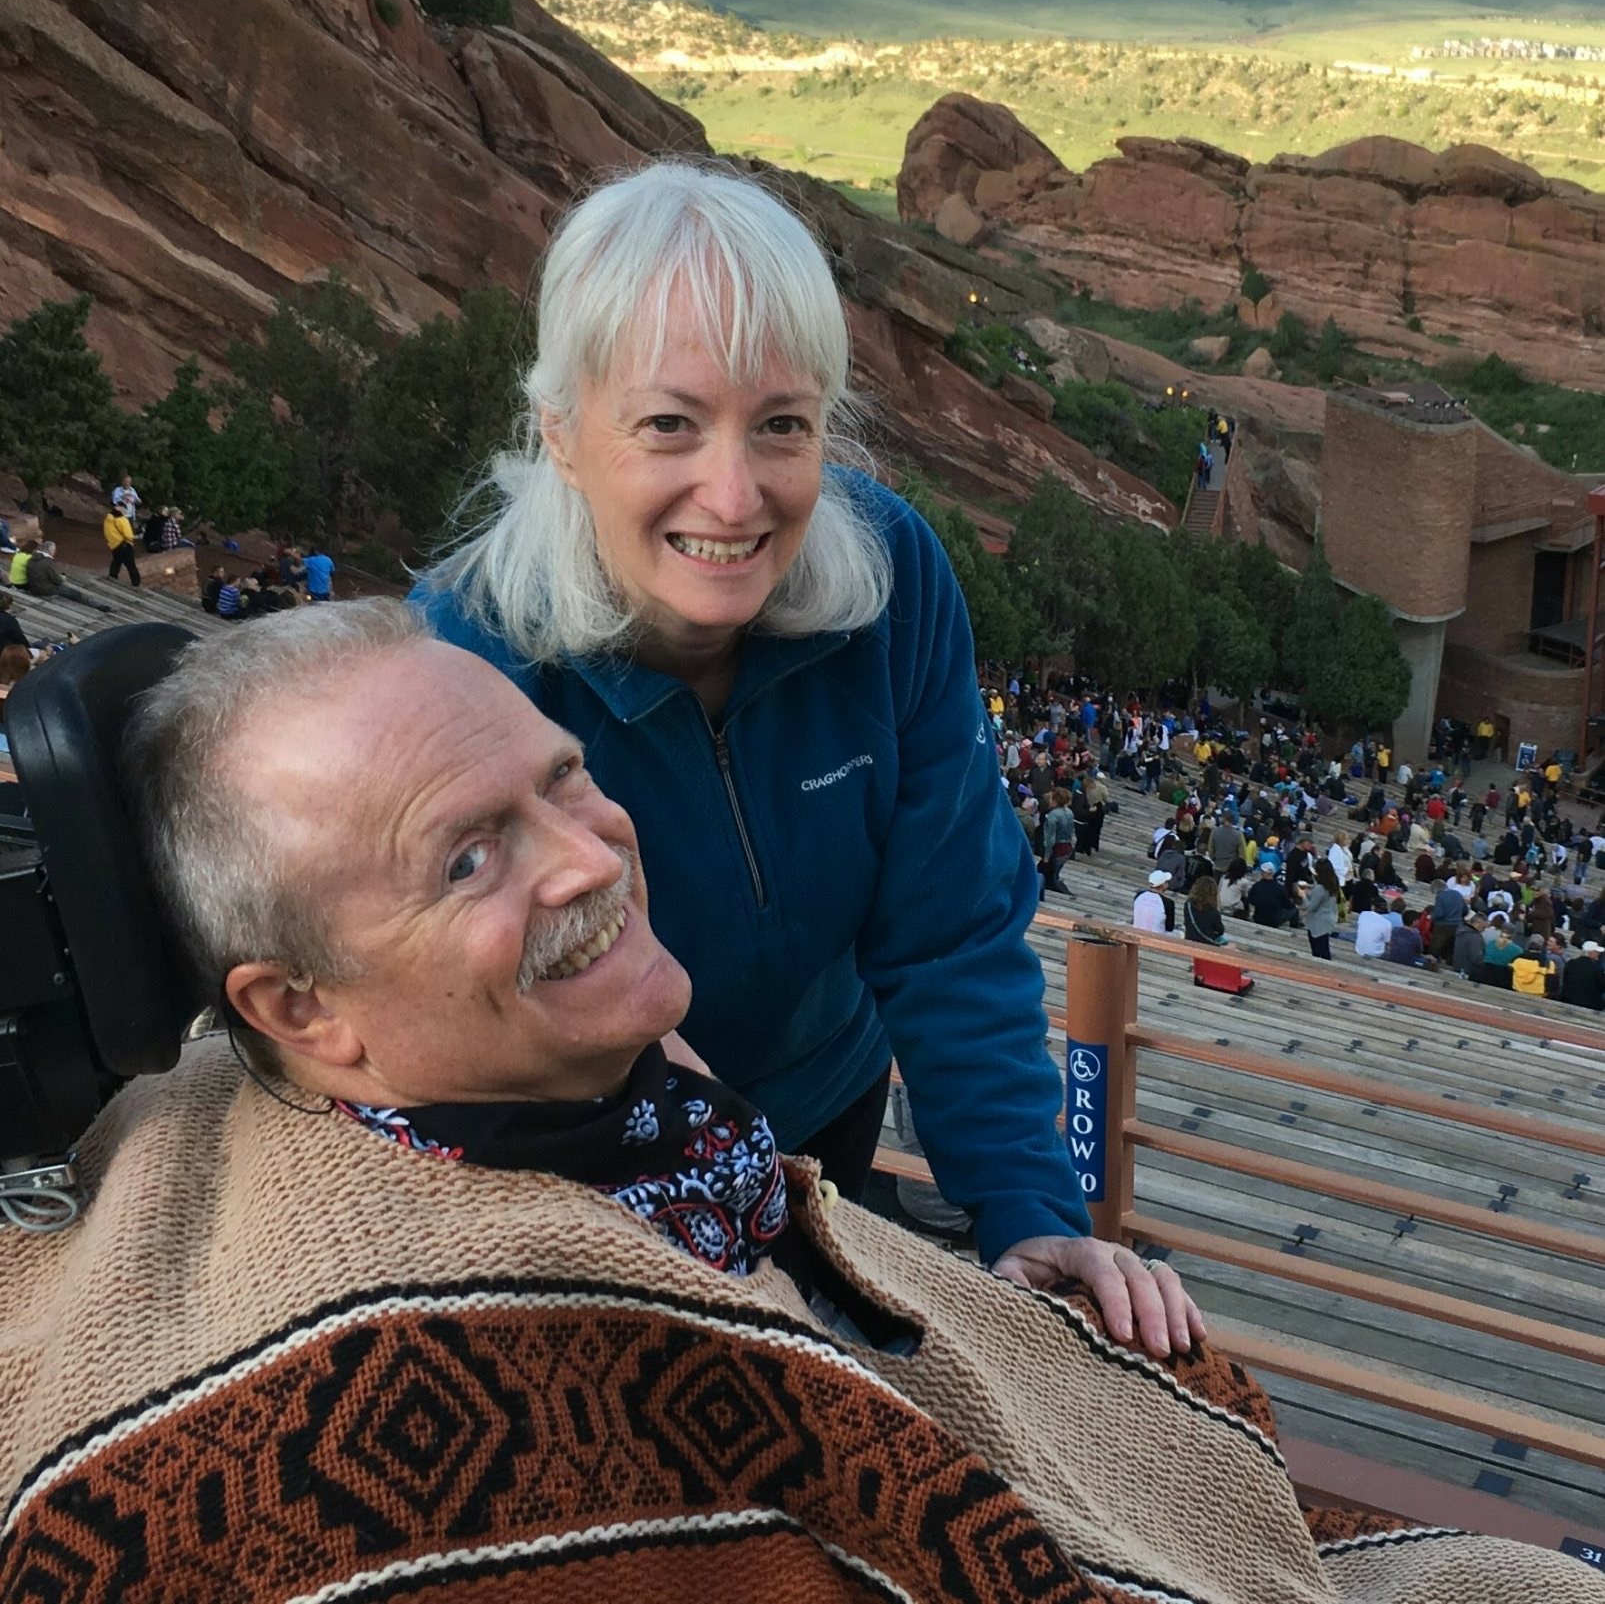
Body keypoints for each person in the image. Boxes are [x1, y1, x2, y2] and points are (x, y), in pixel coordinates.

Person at [8, 606, 1582, 1601]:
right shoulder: (380, 1418)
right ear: (300, 1012)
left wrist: (1005, 1285)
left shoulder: (559, 1085)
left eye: (562, 776)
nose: (589, 851)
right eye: (466, 856)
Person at [415, 161, 1194, 1325]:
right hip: (595, 1157)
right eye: (670, 425)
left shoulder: (892, 583)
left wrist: (1025, 1208)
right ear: (563, 433)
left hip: (831, 1102)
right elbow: (489, 1016)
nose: (733, 498)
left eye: (781, 426)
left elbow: (949, 927)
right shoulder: (466, 658)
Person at [1302, 857, 1341, 960]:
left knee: (1318, 951)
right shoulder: (1332, 884)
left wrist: (1302, 895)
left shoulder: (1320, 888)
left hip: (1318, 921)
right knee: (1324, 948)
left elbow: (1311, 907)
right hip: (1329, 918)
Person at [1182, 873, 1228, 945]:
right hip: (1207, 943)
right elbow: (1220, 930)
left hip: (1189, 938)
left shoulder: (1188, 905)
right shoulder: (1213, 912)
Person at [1559, 940, 1605, 1011]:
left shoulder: (1570, 964)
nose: (1598, 954)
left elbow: (1565, 981)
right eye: (1596, 952)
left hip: (1568, 1000)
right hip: (1590, 1005)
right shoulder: (1597, 969)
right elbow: (1602, 987)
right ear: (1590, 953)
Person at [103, 503, 141, 585]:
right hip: (124, 543)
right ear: (119, 508)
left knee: (116, 561)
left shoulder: (108, 519)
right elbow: (128, 534)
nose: (124, 511)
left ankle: (112, 577)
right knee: (131, 565)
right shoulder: (121, 519)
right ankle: (136, 583)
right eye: (124, 508)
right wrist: (132, 538)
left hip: (114, 544)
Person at [1132, 868, 1173, 933]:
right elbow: (1169, 928)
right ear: (1163, 885)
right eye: (1167, 882)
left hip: (1137, 931)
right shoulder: (1168, 902)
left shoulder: (1139, 895)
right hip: (1156, 936)